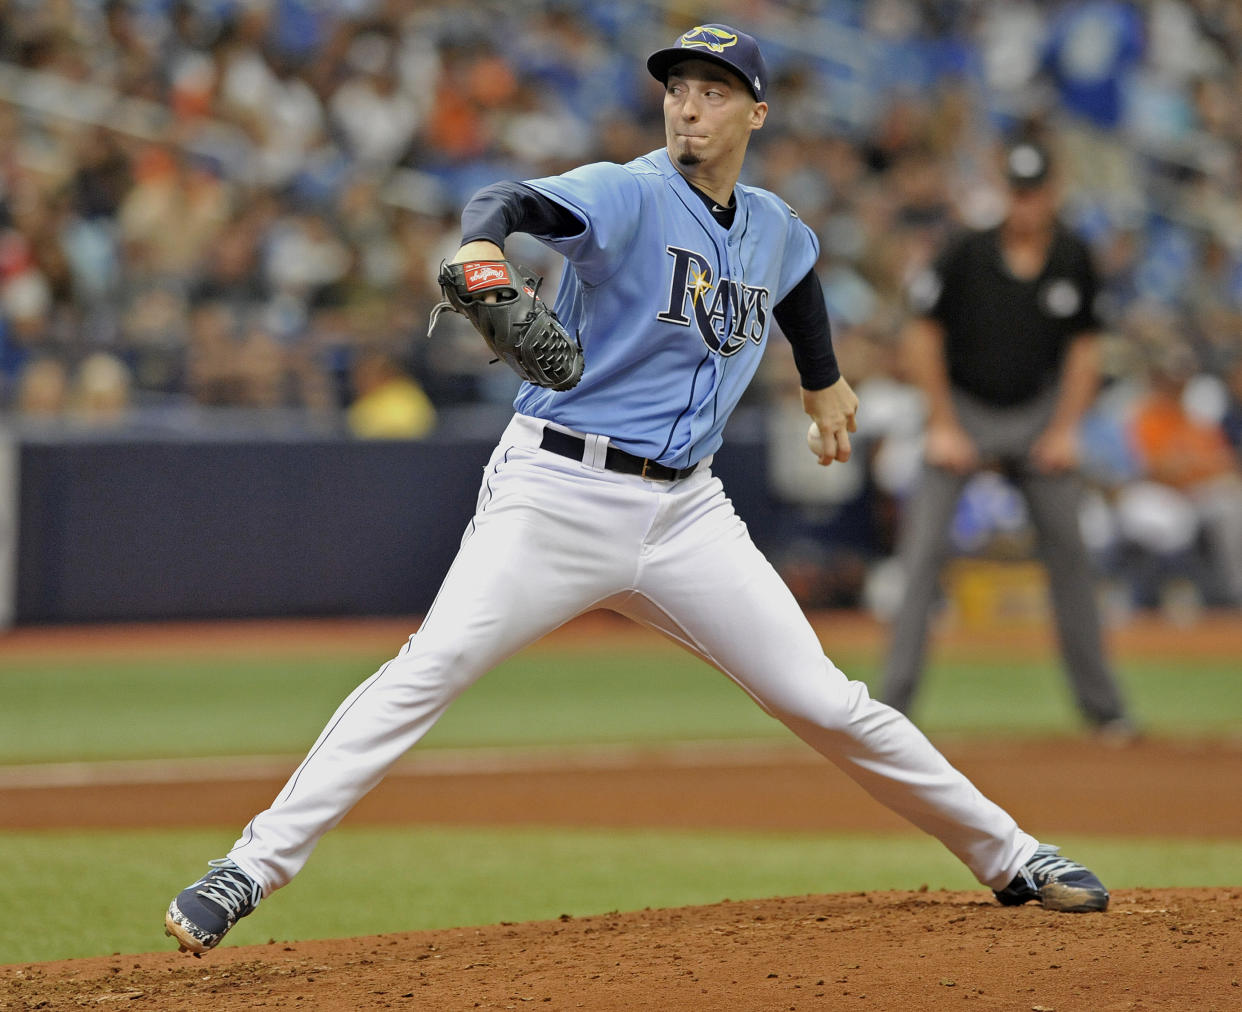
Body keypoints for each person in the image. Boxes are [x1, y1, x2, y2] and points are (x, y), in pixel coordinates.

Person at [165, 25, 1110, 956]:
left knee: (827, 702)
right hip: (557, 491)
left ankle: (1013, 856)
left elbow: (799, 280)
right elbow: (504, 200)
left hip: (688, 513)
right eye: (676, 87)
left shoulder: (774, 223)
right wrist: (482, 253)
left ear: (756, 112)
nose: (688, 105)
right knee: (431, 666)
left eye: (712, 90)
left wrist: (821, 380)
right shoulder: (628, 192)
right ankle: (247, 869)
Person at [880, 138, 1135, 739]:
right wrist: (941, 424)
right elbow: (921, 336)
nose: (1025, 206)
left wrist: (1066, 431)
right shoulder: (966, 251)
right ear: (1004, 192)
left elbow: (1084, 349)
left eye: (1035, 193)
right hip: (963, 408)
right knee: (921, 556)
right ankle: (891, 711)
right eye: (1017, 193)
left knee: (1071, 554)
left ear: (1052, 193)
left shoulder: (1073, 255)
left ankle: (1105, 709)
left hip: (1038, 414)